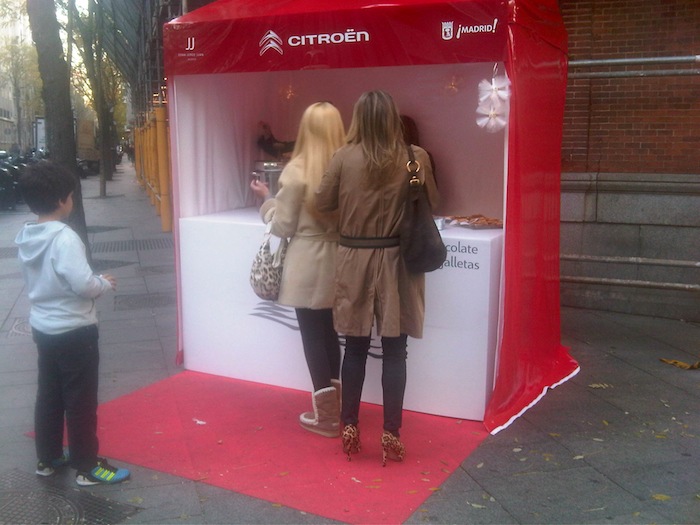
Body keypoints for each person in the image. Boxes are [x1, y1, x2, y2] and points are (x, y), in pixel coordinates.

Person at [316, 90, 439, 465]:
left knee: (353, 348)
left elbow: (322, 201)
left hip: (355, 257)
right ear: (392, 118)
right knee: (395, 350)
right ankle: (391, 435)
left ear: (357, 119)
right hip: (398, 262)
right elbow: (432, 200)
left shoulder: (343, 157)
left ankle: (350, 429)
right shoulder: (414, 158)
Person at [15, 161, 130, 486]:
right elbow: (83, 285)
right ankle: (87, 466)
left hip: (44, 329)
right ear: (64, 199)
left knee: (49, 395)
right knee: (80, 401)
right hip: (75, 331)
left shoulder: (27, 236)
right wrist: (103, 283)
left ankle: (48, 458)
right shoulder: (65, 238)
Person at [250, 102, 346, 437]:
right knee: (331, 333)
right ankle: (338, 409)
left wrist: (267, 200)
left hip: (306, 261)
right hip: (339, 259)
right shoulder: (348, 166)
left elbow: (283, 226)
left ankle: (327, 418)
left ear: (306, 130)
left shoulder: (296, 171)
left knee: (312, 336)